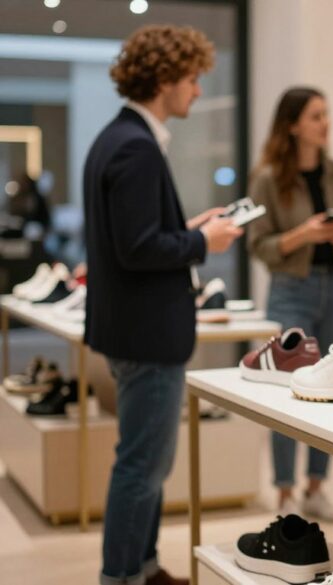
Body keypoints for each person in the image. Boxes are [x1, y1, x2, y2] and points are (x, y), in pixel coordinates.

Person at [84, 25, 241, 585]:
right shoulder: (135, 145)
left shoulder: (117, 137)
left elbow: (134, 236)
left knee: (147, 464)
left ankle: (142, 568)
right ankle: (124, 576)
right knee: (142, 468)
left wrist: (189, 230)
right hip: (146, 335)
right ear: (166, 79)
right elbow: (137, 248)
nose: (198, 92)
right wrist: (204, 243)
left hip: (131, 329)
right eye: (194, 79)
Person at [248, 87, 333, 518]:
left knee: (331, 390)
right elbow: (260, 246)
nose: (324, 123)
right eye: (316, 116)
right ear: (293, 125)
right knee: (287, 388)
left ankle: (316, 485)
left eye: (326, 114)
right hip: (290, 287)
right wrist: (304, 234)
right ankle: (283, 491)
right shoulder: (269, 180)